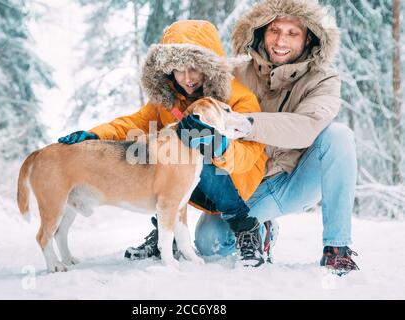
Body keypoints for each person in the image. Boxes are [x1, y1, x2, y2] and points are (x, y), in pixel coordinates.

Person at [58, 20, 275, 266]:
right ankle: (164, 231)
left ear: (209, 67)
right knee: (163, 155)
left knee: (191, 152)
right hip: (185, 184)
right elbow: (133, 123)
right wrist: (94, 134)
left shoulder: (236, 98)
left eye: (194, 68)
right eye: (178, 69)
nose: (187, 78)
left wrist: (221, 146)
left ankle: (247, 228)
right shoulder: (169, 99)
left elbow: (252, 152)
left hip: (235, 182)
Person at [194, 0, 359, 275]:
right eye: (274, 30)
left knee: (339, 135)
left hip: (290, 179)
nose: (281, 40)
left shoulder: (323, 79)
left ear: (309, 37)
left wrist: (247, 124)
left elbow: (307, 126)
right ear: (260, 31)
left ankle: (336, 249)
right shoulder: (232, 72)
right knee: (211, 244)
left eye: (293, 33)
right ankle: (262, 227)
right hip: (242, 184)